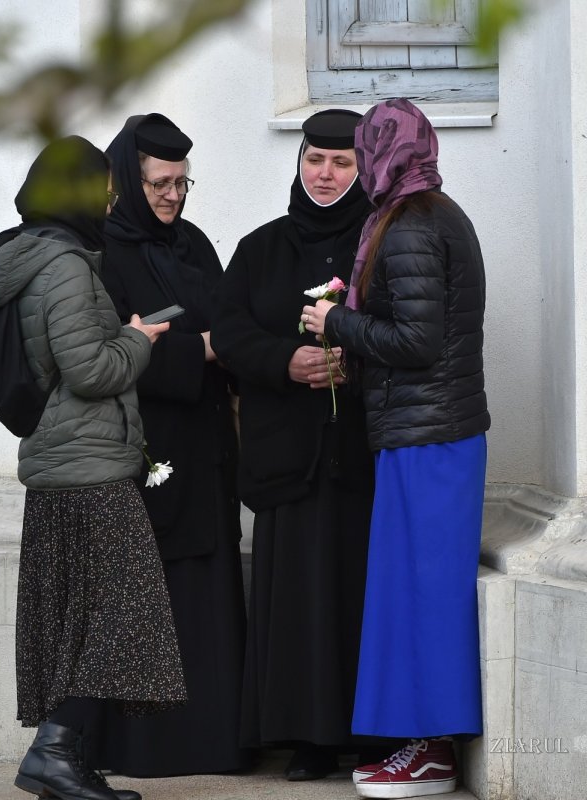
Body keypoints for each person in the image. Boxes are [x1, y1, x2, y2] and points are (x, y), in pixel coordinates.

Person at [0, 135, 186, 800]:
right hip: (89, 468)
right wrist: (138, 339)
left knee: (79, 617)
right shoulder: (63, 265)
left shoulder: (22, 256)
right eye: (106, 189)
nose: (113, 199)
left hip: (62, 464)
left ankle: (70, 758)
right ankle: (55, 750)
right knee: (125, 610)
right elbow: (89, 370)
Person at [302, 97, 491, 799]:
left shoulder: (412, 226)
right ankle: (422, 745)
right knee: (412, 592)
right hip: (426, 431)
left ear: (382, 154)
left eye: (362, 150)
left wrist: (337, 322)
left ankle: (432, 754)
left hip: (430, 437)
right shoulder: (428, 213)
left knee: (426, 596)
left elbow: (415, 342)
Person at [211, 109, 384, 781]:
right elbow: (229, 332)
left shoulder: (382, 242)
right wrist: (289, 361)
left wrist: (352, 359)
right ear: (299, 160)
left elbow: (406, 328)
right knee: (298, 602)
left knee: (359, 595)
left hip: (363, 454)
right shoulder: (261, 249)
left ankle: (369, 734)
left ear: (363, 170)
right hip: (288, 457)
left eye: (342, 163)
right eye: (316, 159)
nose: (325, 174)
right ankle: (307, 737)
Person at [90, 113, 251, 777]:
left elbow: (227, 321)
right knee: (146, 594)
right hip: (143, 450)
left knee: (205, 592)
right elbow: (107, 352)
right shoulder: (101, 254)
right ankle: (144, 749)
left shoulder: (193, 246)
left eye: (182, 184)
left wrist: (228, 347)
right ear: (130, 179)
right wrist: (204, 350)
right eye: (161, 184)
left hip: (205, 446)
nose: (173, 197)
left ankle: (214, 741)